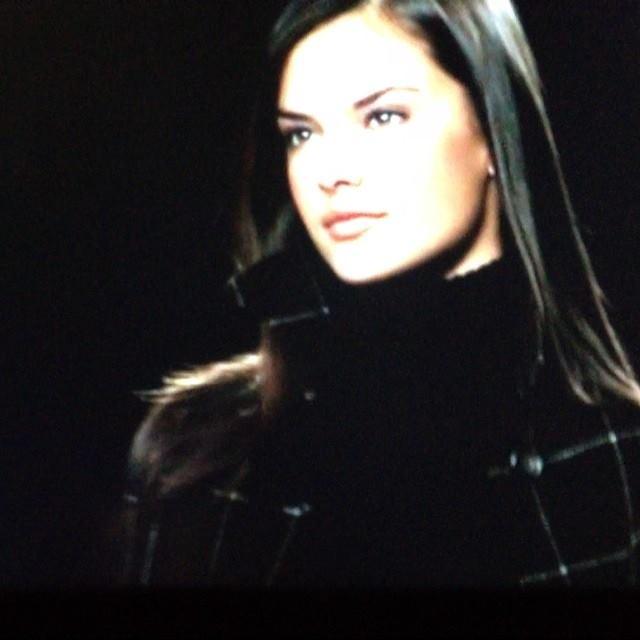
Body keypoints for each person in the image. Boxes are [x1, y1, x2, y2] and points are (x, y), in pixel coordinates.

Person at [119, 0, 640, 587]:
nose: (330, 171)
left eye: (383, 117)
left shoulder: (615, 453)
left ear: (495, 130)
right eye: (301, 134)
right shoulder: (195, 447)